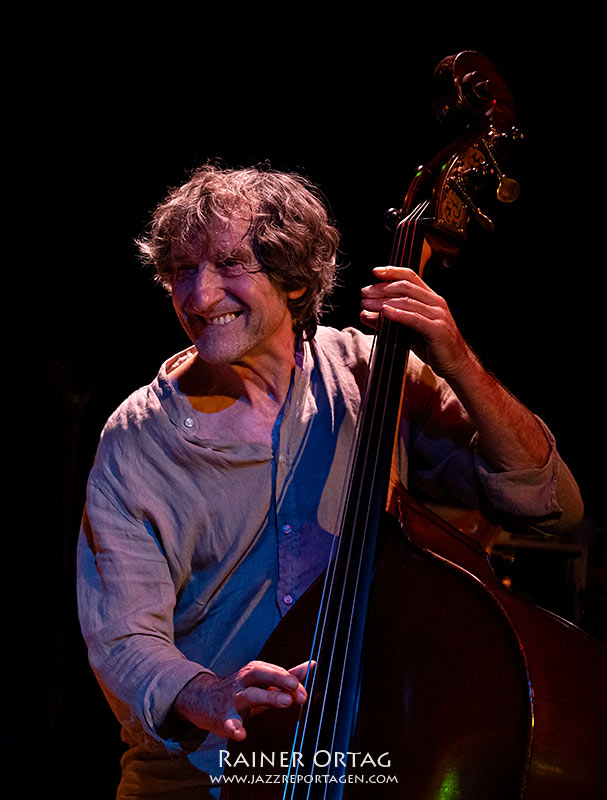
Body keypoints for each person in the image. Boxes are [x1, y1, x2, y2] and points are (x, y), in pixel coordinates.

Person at [77, 163, 583, 798]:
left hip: (366, 760)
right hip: (201, 775)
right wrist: (208, 691)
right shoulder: (135, 441)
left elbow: (547, 505)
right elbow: (122, 637)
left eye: (230, 264)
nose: (200, 297)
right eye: (182, 270)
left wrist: (455, 359)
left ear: (292, 279)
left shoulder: (372, 379)